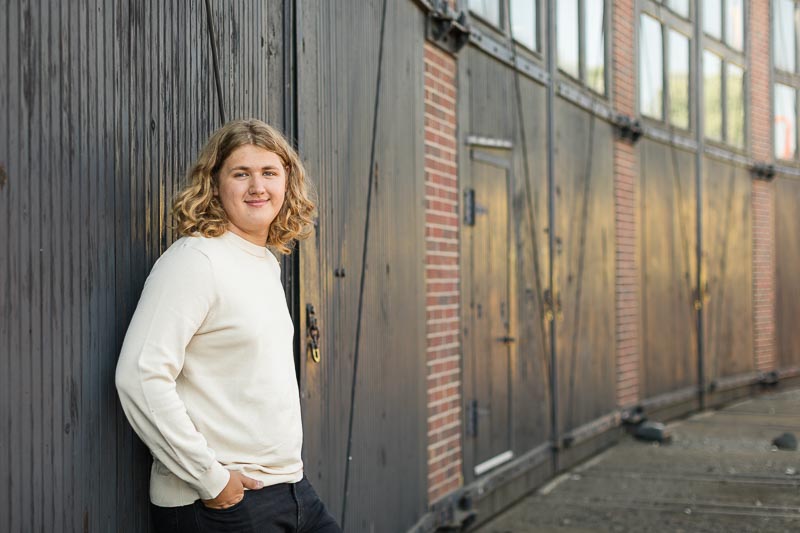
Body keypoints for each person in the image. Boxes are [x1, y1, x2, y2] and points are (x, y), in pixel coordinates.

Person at [115, 119, 341, 532]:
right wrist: (212, 481)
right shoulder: (196, 260)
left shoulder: (264, 262)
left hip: (289, 488)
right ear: (215, 184)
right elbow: (139, 375)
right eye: (241, 173)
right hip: (223, 506)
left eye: (269, 172)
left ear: (287, 183)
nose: (257, 186)